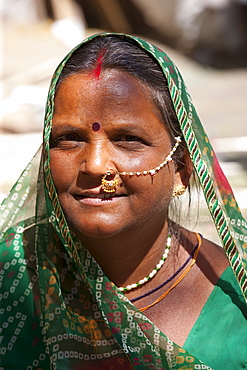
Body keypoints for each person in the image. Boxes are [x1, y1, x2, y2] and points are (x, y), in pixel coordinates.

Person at [0, 33, 246, 370]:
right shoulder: (12, 275)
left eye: (128, 139)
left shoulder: (234, 307)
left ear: (182, 170)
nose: (95, 165)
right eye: (68, 139)